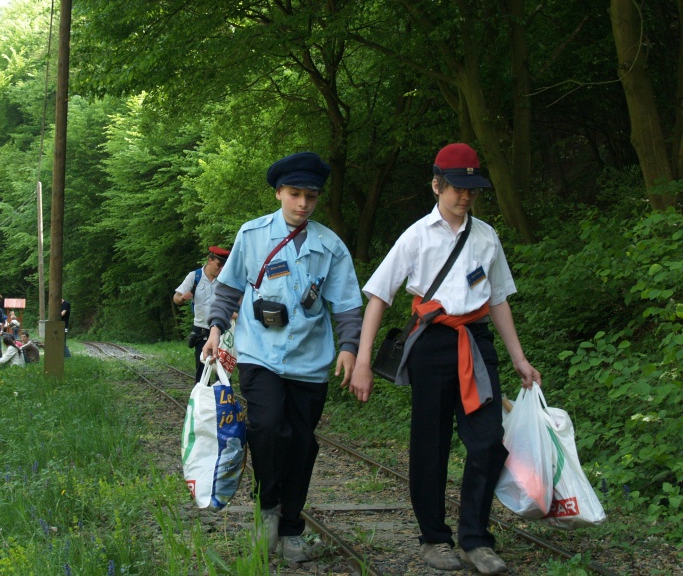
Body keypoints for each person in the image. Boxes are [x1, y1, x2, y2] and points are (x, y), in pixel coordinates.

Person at [348, 143, 541, 575]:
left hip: (476, 342)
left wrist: (519, 359)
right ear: (436, 184)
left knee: (489, 442)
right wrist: (363, 362)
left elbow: (499, 300)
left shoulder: (487, 236)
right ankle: (434, 538)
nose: (464, 197)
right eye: (456, 187)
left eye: (471, 189)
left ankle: (475, 539)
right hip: (431, 345)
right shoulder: (416, 236)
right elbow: (379, 295)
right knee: (430, 446)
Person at [202, 151, 363, 564]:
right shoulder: (252, 235)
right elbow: (229, 289)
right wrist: (216, 329)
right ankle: (267, 508)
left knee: (302, 445)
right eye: (295, 194)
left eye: (311, 196)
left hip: (311, 362)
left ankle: (292, 529)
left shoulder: (331, 246)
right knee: (268, 428)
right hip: (260, 354)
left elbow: (345, 304)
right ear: (279, 193)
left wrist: (349, 348)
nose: (303, 203)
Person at [173, 245, 231, 380]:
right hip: (201, 330)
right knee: (202, 369)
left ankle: (221, 399)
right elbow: (176, 298)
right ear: (210, 260)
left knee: (222, 371)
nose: (221, 268)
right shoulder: (195, 276)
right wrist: (181, 298)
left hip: (222, 330)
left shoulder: (225, 279)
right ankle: (202, 399)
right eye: (219, 264)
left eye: (224, 265)